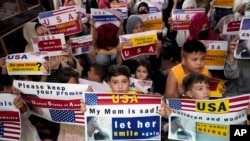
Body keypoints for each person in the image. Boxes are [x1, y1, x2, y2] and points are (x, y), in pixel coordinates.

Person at [0, 74, 41, 141]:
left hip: (24, 134)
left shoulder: (17, 97)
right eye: (1, 90)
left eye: (7, 88)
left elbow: (26, 115)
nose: (4, 92)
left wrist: (21, 106)